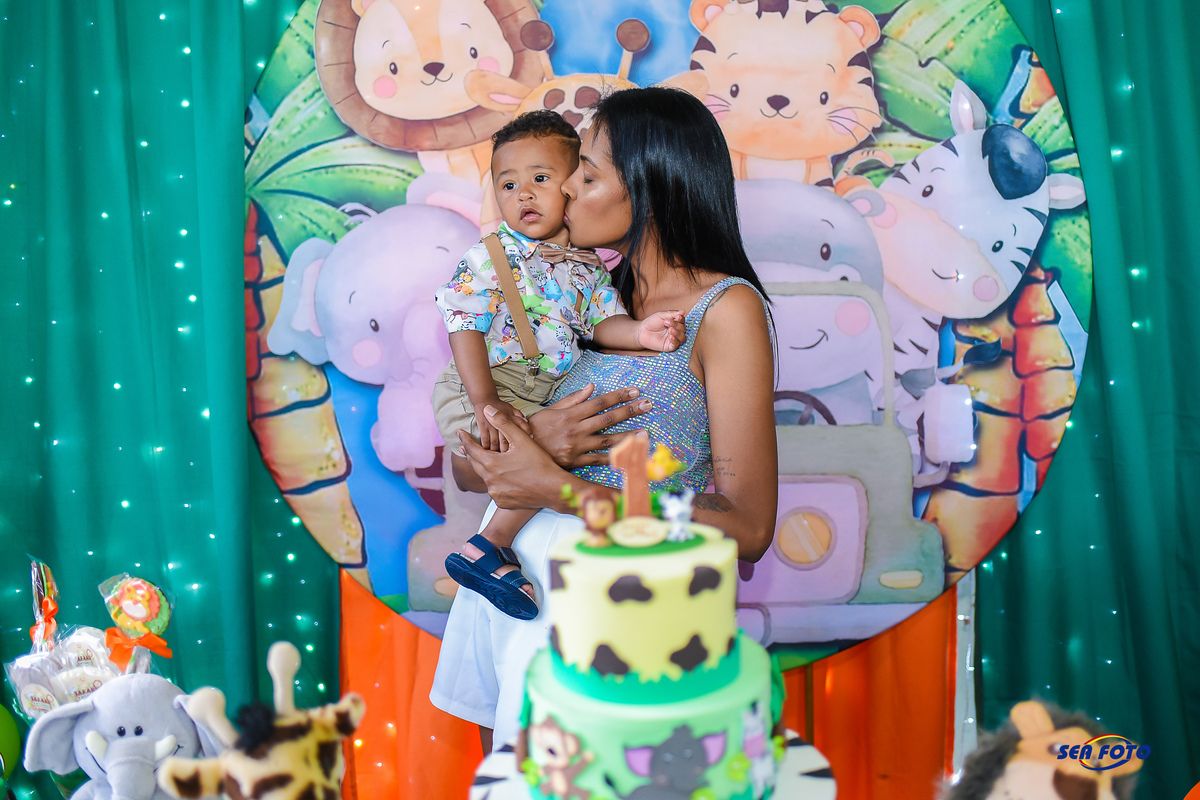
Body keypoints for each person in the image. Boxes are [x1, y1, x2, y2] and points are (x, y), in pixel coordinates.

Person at [429, 87, 778, 752]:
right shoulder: (586, 300)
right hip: (511, 590)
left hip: (623, 617)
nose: (563, 190)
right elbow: (474, 471)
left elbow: (749, 527)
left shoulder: (723, 310)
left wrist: (562, 489)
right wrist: (536, 440)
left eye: (586, 176)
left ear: (649, 189)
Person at [433, 110, 687, 621]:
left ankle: (489, 550)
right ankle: (488, 547)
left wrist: (640, 333)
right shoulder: (490, 256)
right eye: (508, 185)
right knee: (535, 456)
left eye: (541, 179)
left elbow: (603, 323)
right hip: (485, 383)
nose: (523, 195)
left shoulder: (586, 267)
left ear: (573, 186)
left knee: (560, 452)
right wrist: (485, 402)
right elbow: (462, 321)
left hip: (541, 389)